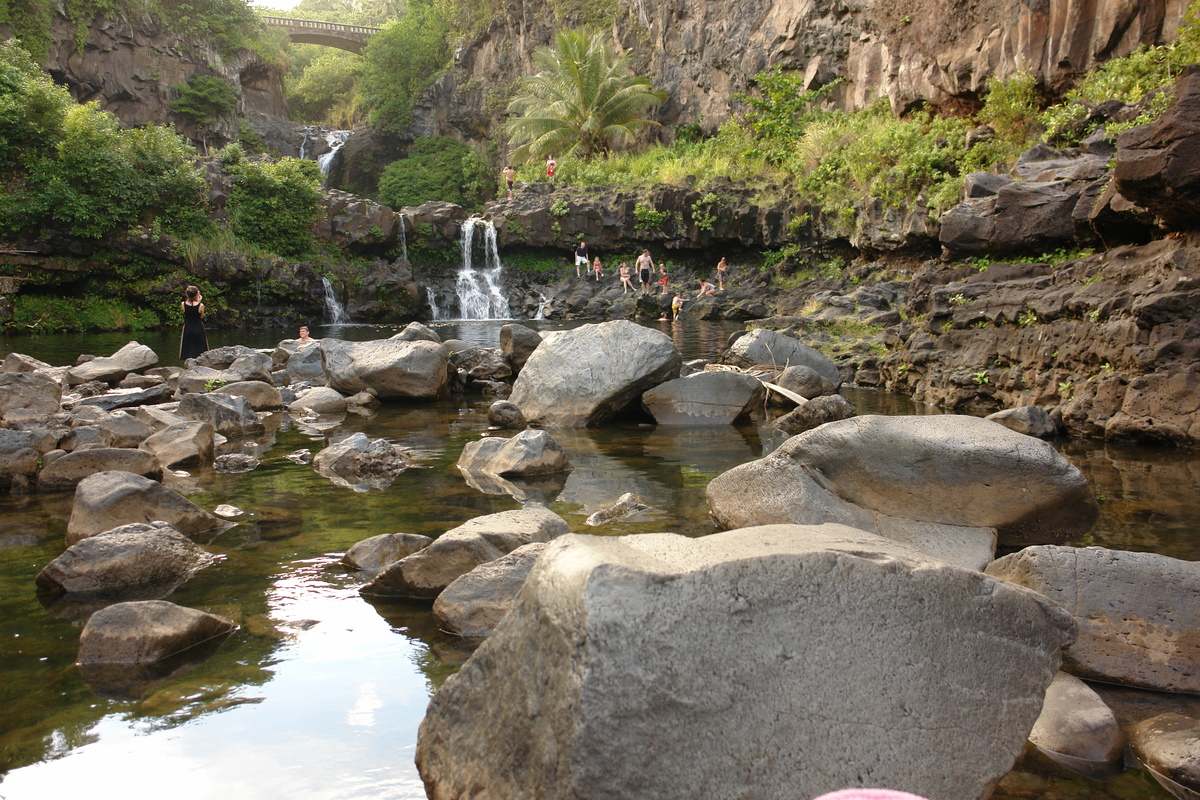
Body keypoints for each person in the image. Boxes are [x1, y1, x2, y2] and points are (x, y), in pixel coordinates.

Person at [179, 285, 208, 361]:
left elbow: (188, 312)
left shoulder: (183, 304)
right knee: (200, 349)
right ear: (196, 295)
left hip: (187, 328)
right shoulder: (201, 305)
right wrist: (199, 302)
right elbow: (201, 316)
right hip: (198, 328)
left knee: (188, 349)